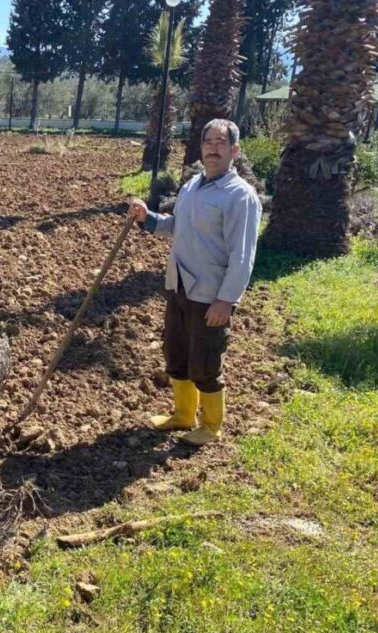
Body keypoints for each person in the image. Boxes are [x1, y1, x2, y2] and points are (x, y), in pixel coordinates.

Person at [127, 119, 261, 446]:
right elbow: (178, 225)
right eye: (208, 142)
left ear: (234, 150)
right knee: (177, 354)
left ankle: (211, 426)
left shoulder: (240, 196)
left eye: (220, 143)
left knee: (205, 360)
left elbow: (242, 255)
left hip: (210, 293)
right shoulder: (192, 186)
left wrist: (226, 300)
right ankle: (183, 415)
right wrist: (149, 218)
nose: (213, 148)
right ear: (201, 148)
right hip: (180, 285)